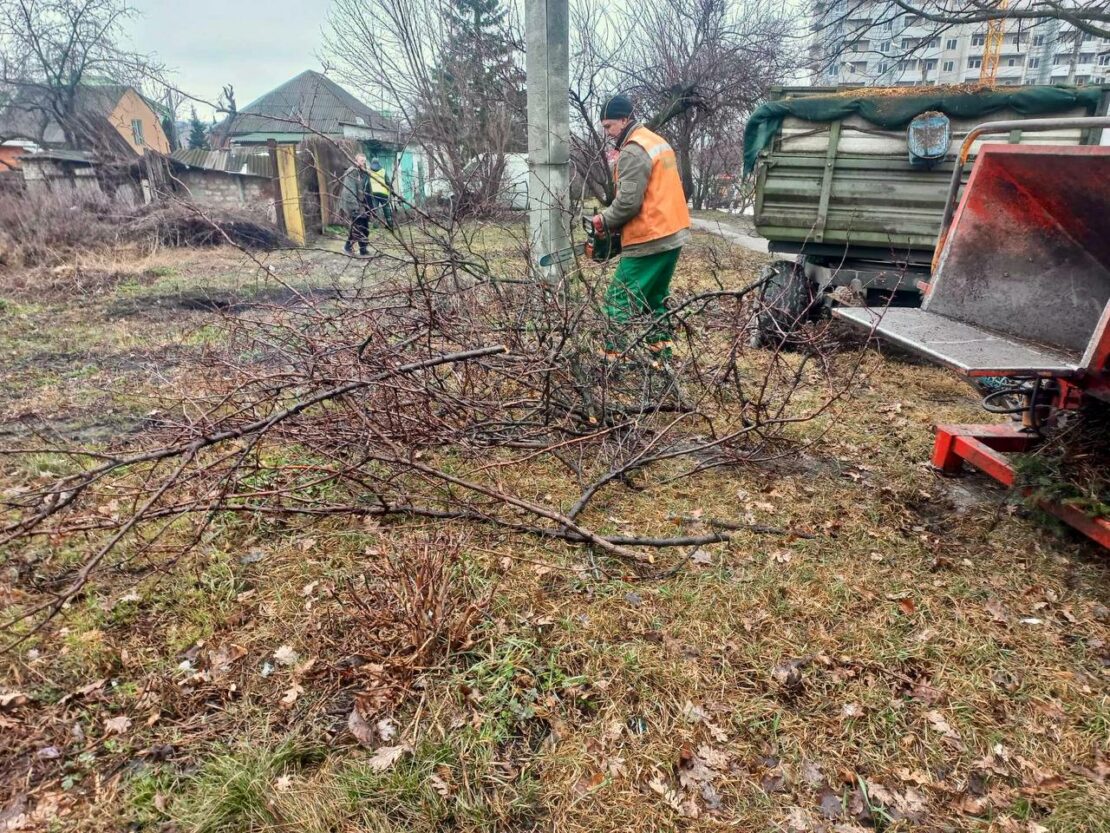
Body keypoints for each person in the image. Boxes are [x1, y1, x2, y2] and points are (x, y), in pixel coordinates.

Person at [593, 93, 690, 362]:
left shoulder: (634, 150)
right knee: (654, 297)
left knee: (618, 298)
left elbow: (627, 203)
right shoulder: (656, 141)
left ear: (625, 120)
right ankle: (660, 352)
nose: (608, 132)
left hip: (651, 235)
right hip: (672, 231)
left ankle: (611, 359)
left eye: (609, 126)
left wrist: (604, 220)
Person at [343, 153, 372, 256]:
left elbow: (367, 190)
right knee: (358, 228)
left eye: (364, 161)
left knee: (365, 228)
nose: (363, 163)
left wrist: (370, 206)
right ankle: (347, 247)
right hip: (354, 205)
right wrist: (354, 207)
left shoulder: (363, 173)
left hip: (363, 205)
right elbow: (349, 190)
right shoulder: (352, 172)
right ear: (356, 161)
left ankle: (363, 249)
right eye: (361, 161)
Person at [368, 157, 394, 230]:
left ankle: (376, 226)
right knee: (387, 209)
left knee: (375, 209)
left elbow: (367, 183)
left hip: (374, 193)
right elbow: (388, 181)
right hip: (383, 193)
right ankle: (390, 225)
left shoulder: (369, 171)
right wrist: (392, 190)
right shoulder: (383, 170)